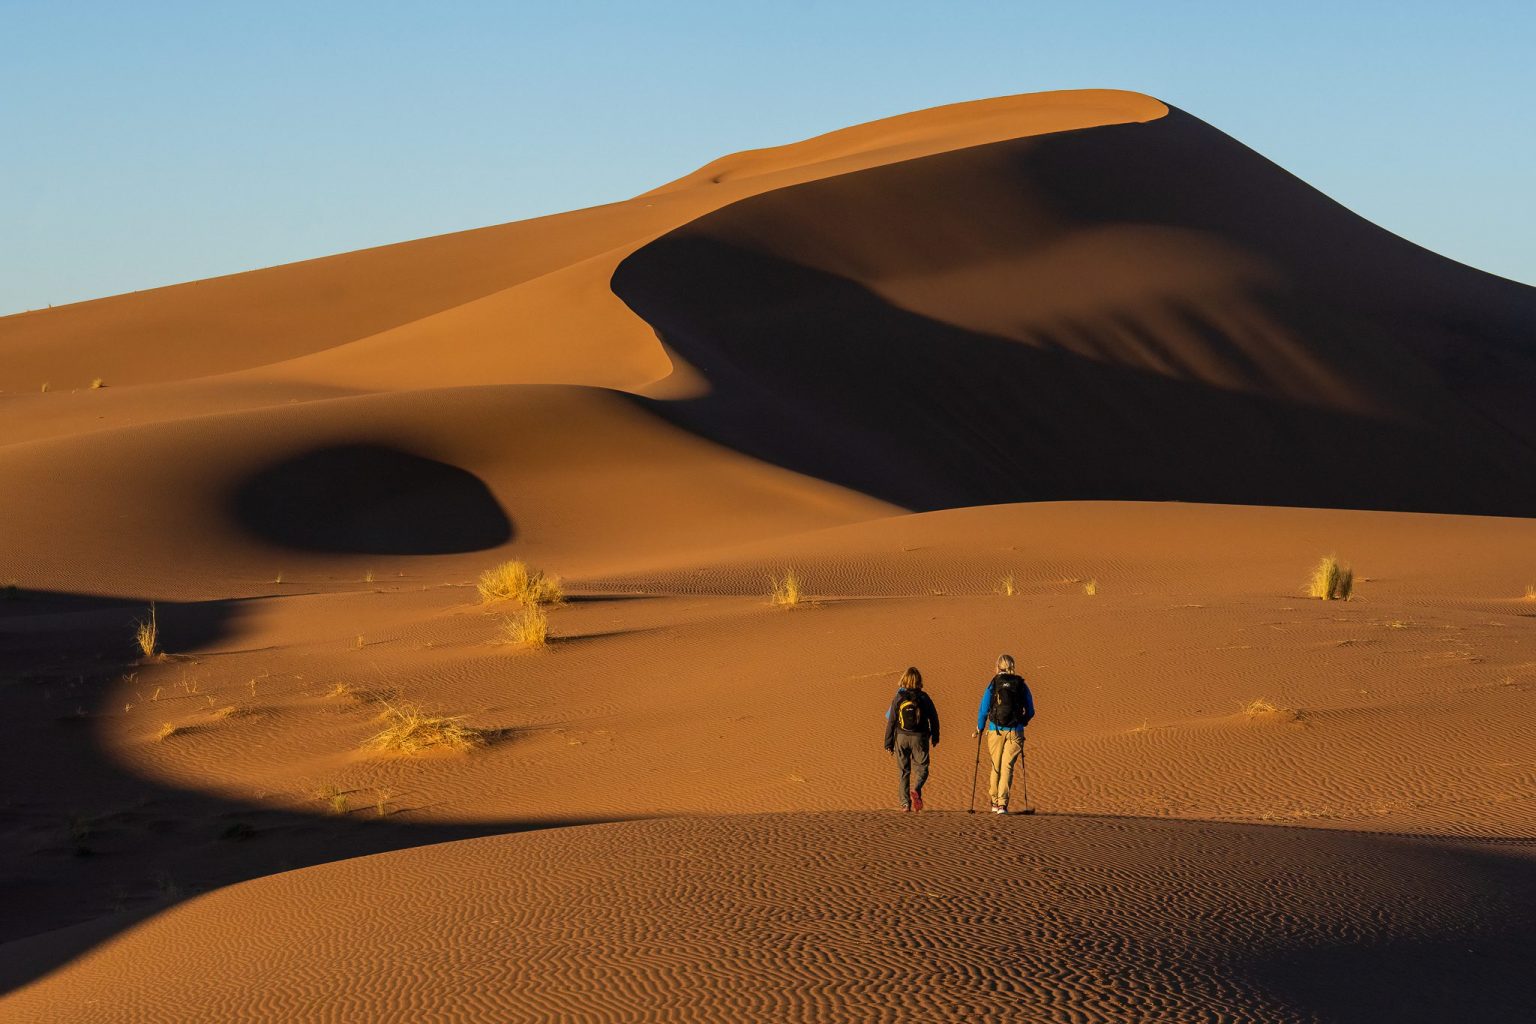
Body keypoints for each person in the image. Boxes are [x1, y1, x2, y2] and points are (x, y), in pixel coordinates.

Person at [974, 654, 1034, 814]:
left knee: (996, 766)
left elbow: (983, 709)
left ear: (997, 666)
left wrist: (980, 727)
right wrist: (1023, 721)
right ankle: (1003, 804)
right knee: (1007, 766)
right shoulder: (1021, 684)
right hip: (1016, 730)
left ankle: (994, 802)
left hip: (995, 730)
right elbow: (1031, 710)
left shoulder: (994, 683)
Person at [883, 666, 940, 811]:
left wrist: (888, 743)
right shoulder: (923, 697)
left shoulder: (899, 697)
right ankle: (916, 788)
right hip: (920, 738)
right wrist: (935, 736)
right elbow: (934, 717)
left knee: (903, 771)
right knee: (922, 768)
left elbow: (891, 721)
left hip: (901, 737)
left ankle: (905, 804)